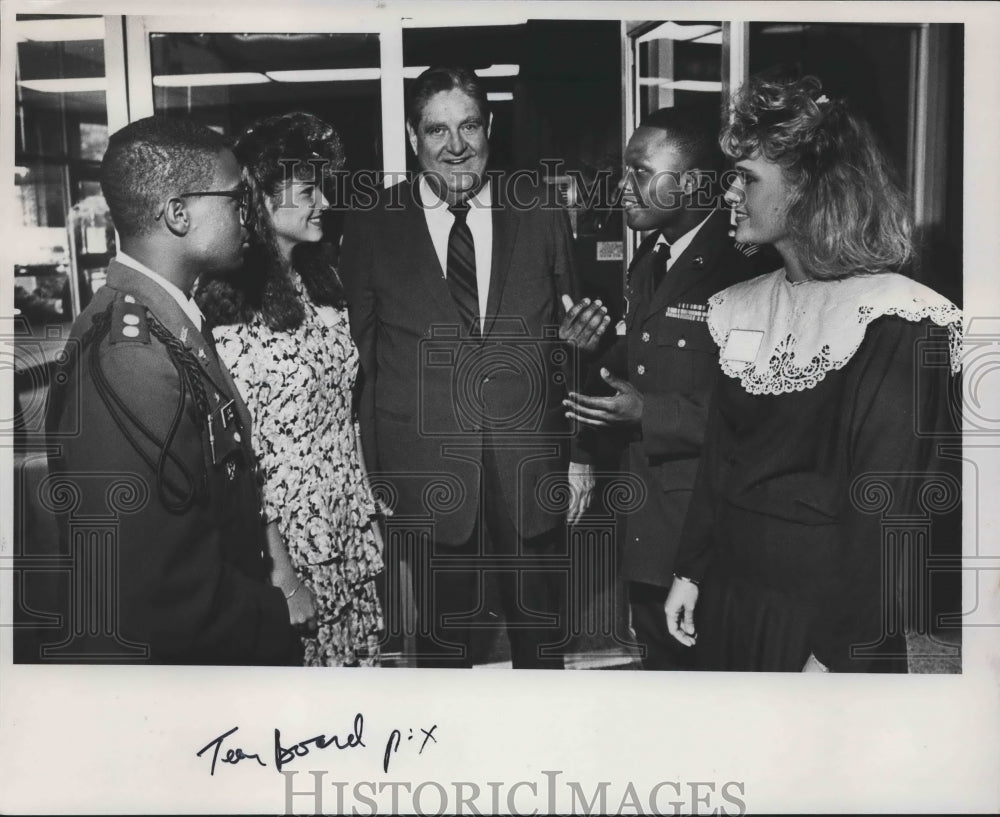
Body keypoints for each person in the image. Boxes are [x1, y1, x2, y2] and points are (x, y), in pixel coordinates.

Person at [663, 74, 963, 672]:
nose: (729, 194)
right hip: (733, 598)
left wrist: (834, 654)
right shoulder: (739, 306)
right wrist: (691, 571)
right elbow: (721, 460)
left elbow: (886, 515)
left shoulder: (896, 317)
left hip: (828, 618)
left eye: (747, 179)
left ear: (807, 190)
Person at [339, 66, 598, 669]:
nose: (456, 146)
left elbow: (572, 346)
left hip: (530, 466)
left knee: (541, 648)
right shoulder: (375, 223)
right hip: (425, 474)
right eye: (437, 131)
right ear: (412, 136)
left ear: (490, 128)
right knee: (440, 656)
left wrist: (582, 451)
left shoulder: (537, 210)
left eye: (469, 126)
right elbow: (366, 361)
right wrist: (374, 476)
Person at [44, 116, 301, 665]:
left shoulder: (168, 321)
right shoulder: (133, 360)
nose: (248, 215)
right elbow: (159, 591)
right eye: (236, 198)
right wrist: (272, 614)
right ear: (178, 215)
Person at [563, 106, 773, 670]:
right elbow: (645, 365)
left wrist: (646, 412)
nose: (623, 186)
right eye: (624, 170)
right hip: (650, 532)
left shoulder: (744, 266)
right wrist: (590, 352)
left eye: (640, 171)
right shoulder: (651, 258)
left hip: (708, 540)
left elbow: (757, 413)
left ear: (696, 182)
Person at [196, 113, 385, 667]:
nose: (323, 201)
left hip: (344, 526)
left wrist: (366, 514)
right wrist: (281, 573)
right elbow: (241, 458)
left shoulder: (320, 280)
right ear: (260, 198)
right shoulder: (230, 303)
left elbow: (343, 415)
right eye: (307, 191)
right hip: (291, 544)